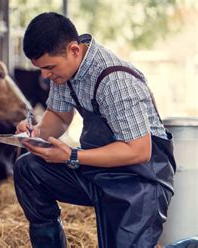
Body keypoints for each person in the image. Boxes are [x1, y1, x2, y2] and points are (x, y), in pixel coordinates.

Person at [14, 12, 176, 248]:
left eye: (49, 67)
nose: (45, 75)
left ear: (74, 50)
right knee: (29, 168)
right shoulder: (64, 72)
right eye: (40, 68)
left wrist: (71, 155)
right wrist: (35, 133)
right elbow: (59, 117)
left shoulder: (116, 81)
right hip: (99, 170)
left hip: (140, 180)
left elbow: (139, 151)